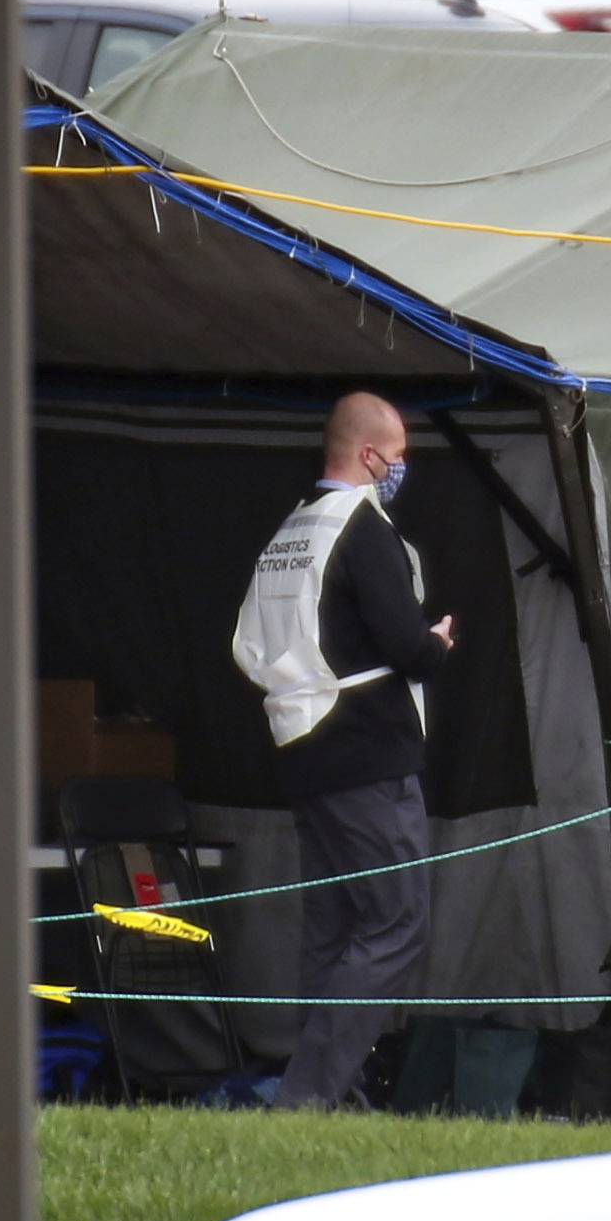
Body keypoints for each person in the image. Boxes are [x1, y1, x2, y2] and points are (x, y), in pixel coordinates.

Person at [232, 391, 455, 1110]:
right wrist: (436, 645)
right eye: (396, 457)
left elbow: (245, 647)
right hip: (368, 752)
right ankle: (309, 1093)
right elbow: (405, 644)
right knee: (397, 921)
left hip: (301, 747)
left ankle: (333, 1097)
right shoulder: (363, 527)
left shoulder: (290, 531)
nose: (399, 470)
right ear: (368, 455)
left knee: (331, 930)